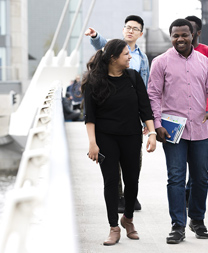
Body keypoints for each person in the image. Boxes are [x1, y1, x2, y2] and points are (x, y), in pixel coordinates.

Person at [147, 19, 208, 244]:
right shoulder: (160, 62)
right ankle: (177, 225)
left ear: (193, 36)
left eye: (184, 35)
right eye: (175, 35)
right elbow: (153, 95)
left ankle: (197, 220)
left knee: (201, 178)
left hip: (200, 129)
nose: (180, 39)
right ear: (171, 37)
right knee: (176, 178)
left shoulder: (204, 62)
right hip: (172, 132)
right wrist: (157, 124)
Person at [83, 39, 156, 246]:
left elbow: (145, 108)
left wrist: (151, 133)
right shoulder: (94, 81)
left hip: (132, 136)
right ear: (113, 58)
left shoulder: (133, 77)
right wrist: (92, 143)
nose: (130, 57)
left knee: (132, 181)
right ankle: (114, 227)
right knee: (111, 181)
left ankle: (128, 219)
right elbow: (90, 116)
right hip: (106, 137)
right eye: (126, 54)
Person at [85, 15, 149, 212]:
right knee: (113, 164)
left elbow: (145, 86)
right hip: (111, 113)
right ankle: (119, 197)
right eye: (127, 27)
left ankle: (131, 195)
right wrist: (95, 36)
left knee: (133, 161)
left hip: (132, 114)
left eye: (134, 28)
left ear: (141, 33)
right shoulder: (114, 49)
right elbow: (103, 46)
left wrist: (147, 118)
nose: (130, 30)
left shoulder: (142, 58)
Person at [184, 15, 208, 202]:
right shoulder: (173, 53)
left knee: (199, 162)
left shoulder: (207, 52)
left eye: (189, 29)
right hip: (181, 117)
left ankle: (191, 189)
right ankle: (186, 190)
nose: (184, 34)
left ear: (197, 32)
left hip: (204, 113)